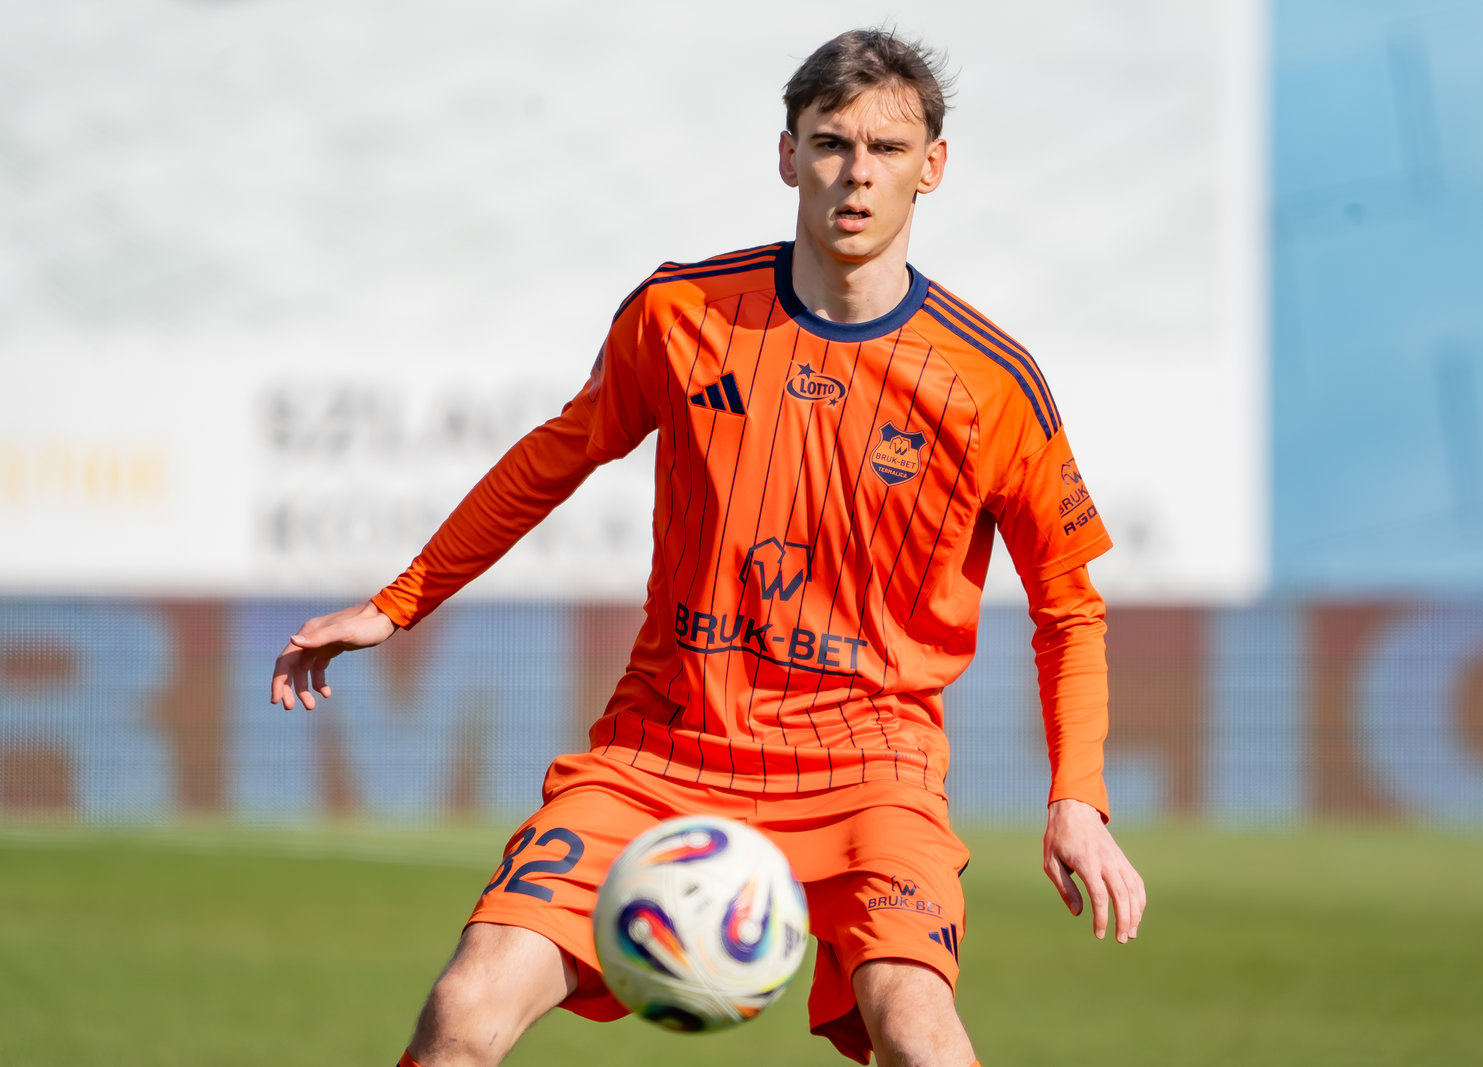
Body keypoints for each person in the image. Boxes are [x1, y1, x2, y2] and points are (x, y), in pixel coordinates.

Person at [272, 28, 1145, 1067]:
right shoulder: (679, 313)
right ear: (787, 155)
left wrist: (1077, 796)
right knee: (464, 1008)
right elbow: (554, 454)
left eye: (887, 148)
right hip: (662, 748)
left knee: (921, 1036)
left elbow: (1068, 607)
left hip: (872, 769)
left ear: (933, 166)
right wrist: (398, 601)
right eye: (830, 143)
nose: (856, 173)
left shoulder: (992, 381)